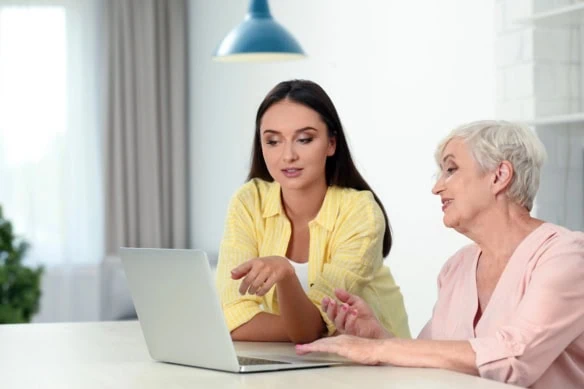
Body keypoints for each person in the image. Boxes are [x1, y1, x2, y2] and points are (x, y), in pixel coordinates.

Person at [296, 120, 584, 388]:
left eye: (451, 169)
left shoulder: (565, 257)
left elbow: (516, 358)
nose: (437, 187)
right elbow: (432, 359)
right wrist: (377, 337)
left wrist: (378, 349)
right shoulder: (457, 267)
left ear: (499, 175)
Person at [215, 80, 410, 344]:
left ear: (331, 144)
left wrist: (286, 275)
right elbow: (230, 315)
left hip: (377, 367)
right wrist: (305, 330)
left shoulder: (360, 212)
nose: (288, 156)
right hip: (299, 362)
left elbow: (314, 326)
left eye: (304, 139)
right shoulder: (249, 201)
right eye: (273, 141)